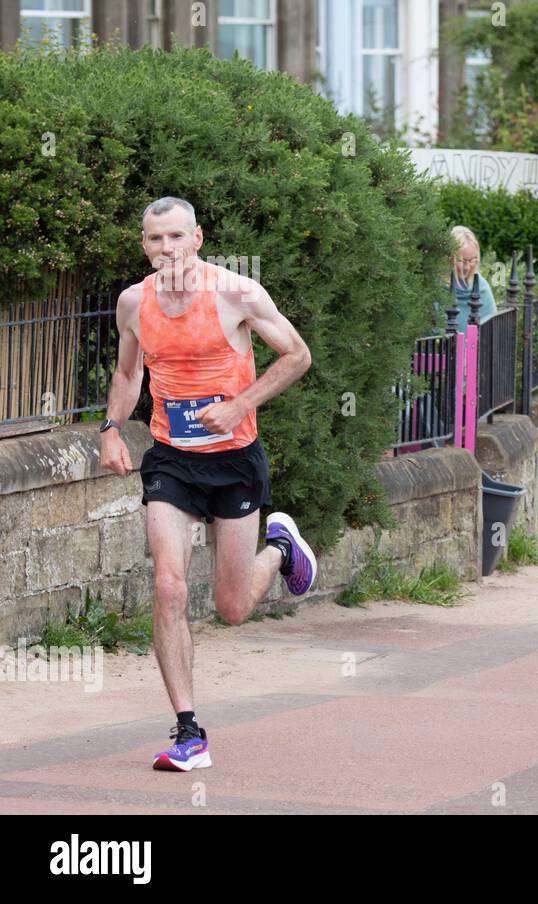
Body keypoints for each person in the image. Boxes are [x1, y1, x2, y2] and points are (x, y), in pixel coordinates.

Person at [99, 197, 316, 771]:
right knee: (169, 586)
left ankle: (282, 548)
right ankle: (189, 732)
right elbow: (128, 373)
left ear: (197, 238)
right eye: (154, 240)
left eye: (175, 237)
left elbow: (297, 355)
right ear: (143, 244)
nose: (165, 249)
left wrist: (241, 402)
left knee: (233, 608)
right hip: (171, 460)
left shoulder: (237, 294)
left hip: (235, 462)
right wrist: (112, 429)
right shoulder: (133, 303)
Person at [449, 225, 497, 332]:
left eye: (471, 260)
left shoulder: (481, 287)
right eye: (462, 260)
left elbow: (492, 332)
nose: (467, 267)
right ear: (449, 257)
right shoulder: (434, 287)